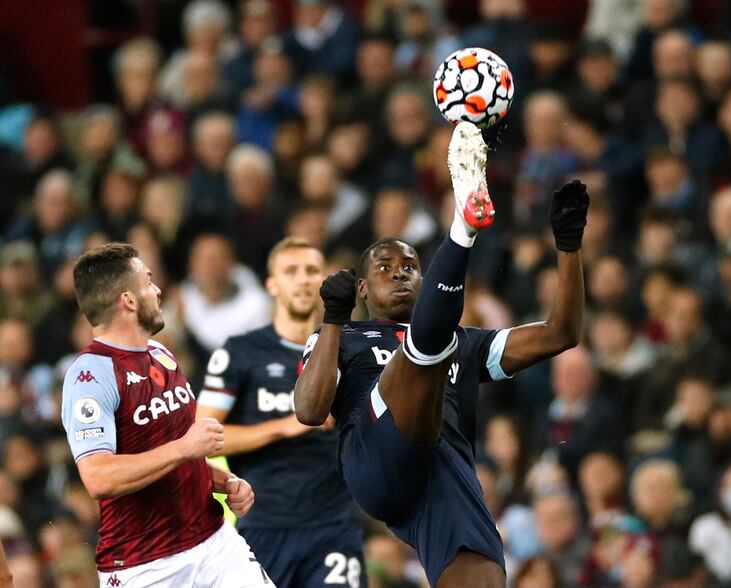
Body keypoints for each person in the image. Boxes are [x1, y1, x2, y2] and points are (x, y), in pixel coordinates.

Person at [295, 122, 589, 588]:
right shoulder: (346, 335)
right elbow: (310, 411)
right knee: (425, 348)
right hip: (374, 457)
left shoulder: (467, 343)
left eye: (411, 267)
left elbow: (562, 333)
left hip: (441, 474)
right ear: (363, 288)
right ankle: (463, 230)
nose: (400, 274)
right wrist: (332, 318)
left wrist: (568, 247)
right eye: (385, 268)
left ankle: (462, 230)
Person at [61, 243, 273, 586]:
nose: (158, 290)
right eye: (148, 282)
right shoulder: (90, 376)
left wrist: (223, 482)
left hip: (215, 545)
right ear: (128, 300)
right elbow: (98, 477)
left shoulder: (161, 354)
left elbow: (170, 454)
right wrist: (184, 448)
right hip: (144, 566)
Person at [196, 237, 366, 587]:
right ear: (272, 285)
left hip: (333, 526)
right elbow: (202, 437)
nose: (303, 280)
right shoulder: (239, 353)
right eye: (292, 271)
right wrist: (285, 426)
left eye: (312, 271)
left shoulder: (352, 349)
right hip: (263, 525)